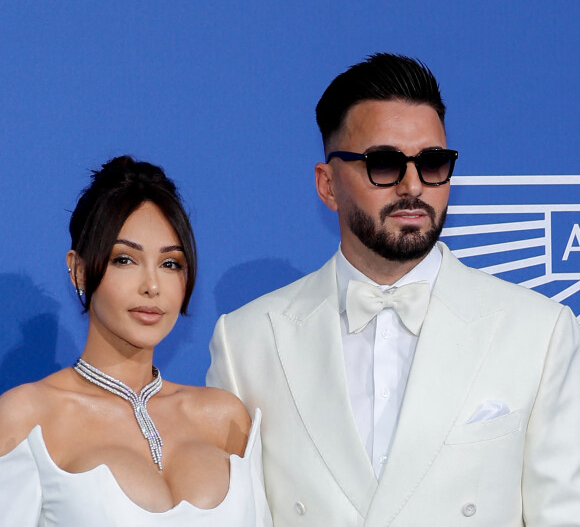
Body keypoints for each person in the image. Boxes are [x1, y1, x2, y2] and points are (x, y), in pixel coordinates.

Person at [207, 53, 580, 525]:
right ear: (327, 185)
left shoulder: (540, 332)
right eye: (383, 163)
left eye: (432, 162)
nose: (412, 185)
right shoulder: (246, 343)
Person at [0, 156, 272, 526]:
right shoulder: (27, 418)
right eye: (125, 260)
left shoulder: (225, 418)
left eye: (170, 263)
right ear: (79, 270)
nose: (152, 286)